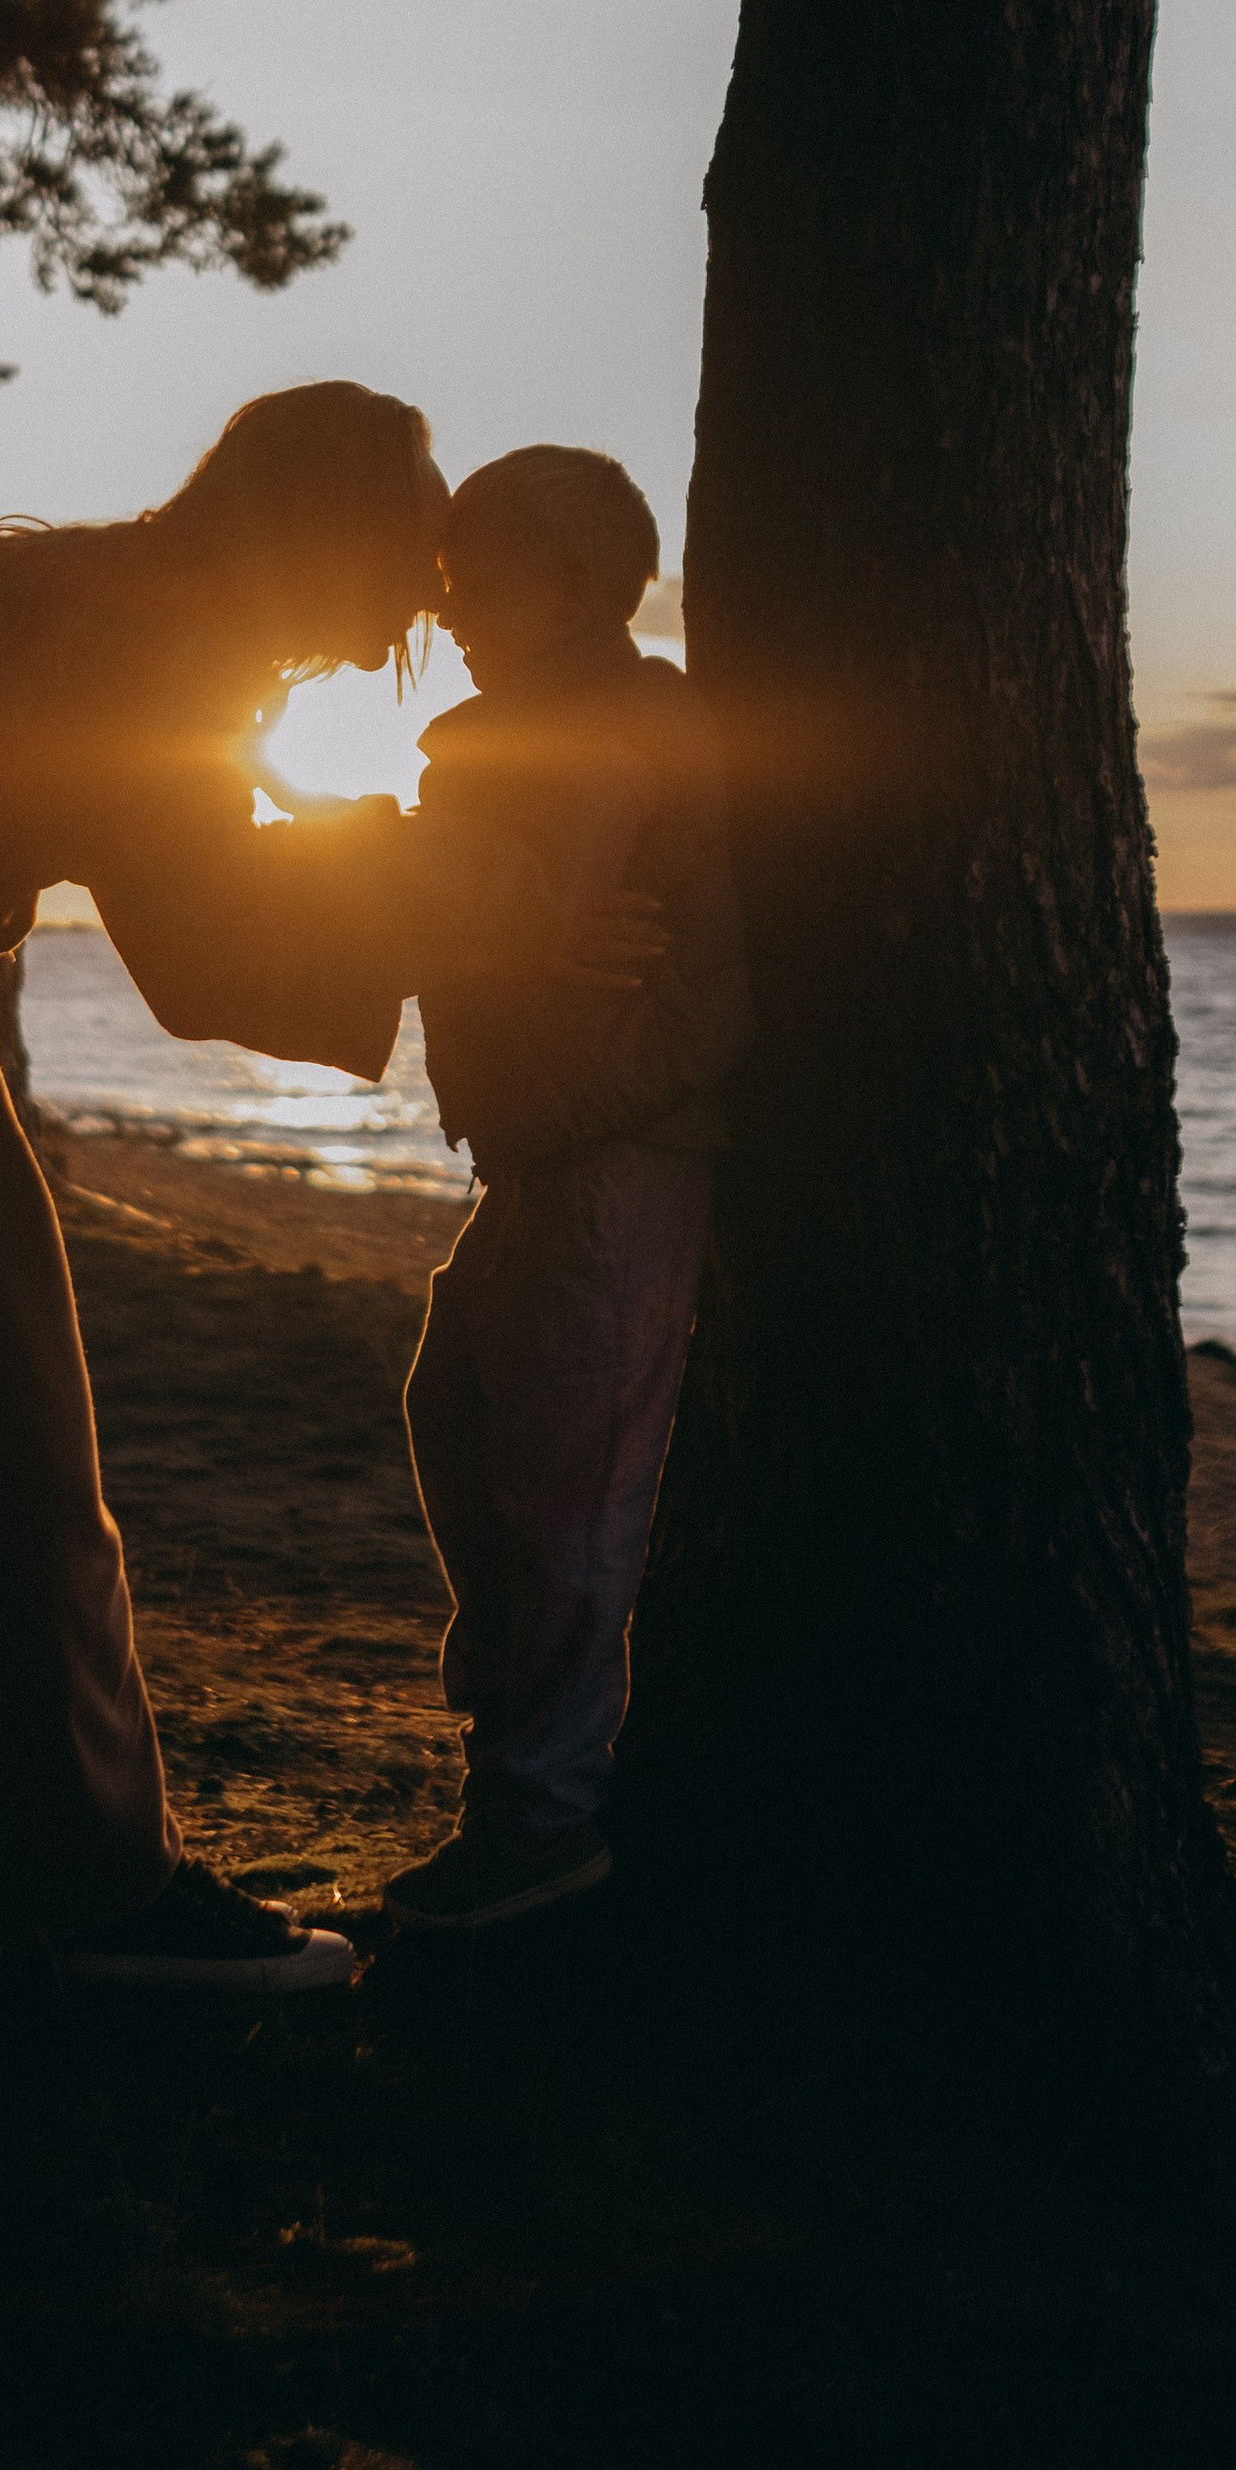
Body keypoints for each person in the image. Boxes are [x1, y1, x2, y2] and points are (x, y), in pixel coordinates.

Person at [0, 383, 596, 1994]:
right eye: (411, 542)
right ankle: (94, 1895)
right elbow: (204, 941)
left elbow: (196, 864)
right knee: (5, 1417)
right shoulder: (159, 637)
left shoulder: (98, 587)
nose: (425, 591)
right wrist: (478, 893)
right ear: (328, 527)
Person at [384, 446, 755, 1934]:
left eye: (484, 580)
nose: (453, 605)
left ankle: (541, 1823)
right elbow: (460, 894)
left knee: (572, 1491)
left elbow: (510, 870)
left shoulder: (617, 727)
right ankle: (515, 1708)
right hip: (548, 1142)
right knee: (457, 1409)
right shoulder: (522, 731)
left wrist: (471, 912)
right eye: (448, 577)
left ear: (592, 589)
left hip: (623, 1145)